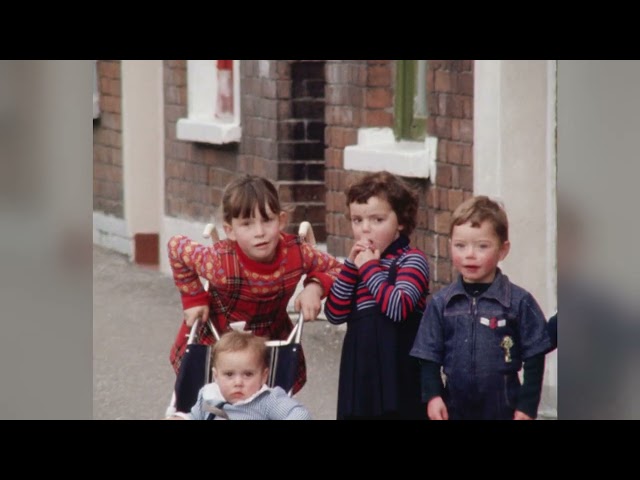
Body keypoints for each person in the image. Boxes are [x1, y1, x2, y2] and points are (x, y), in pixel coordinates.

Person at [167, 175, 342, 395]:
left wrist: (315, 287)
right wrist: (193, 298)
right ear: (230, 230)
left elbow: (338, 268)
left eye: (267, 220)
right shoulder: (219, 262)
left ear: (281, 220)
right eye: (247, 224)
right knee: (205, 401)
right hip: (219, 339)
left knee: (269, 403)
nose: (259, 232)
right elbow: (176, 247)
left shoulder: (297, 252)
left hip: (269, 340)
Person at [410, 195, 553, 420]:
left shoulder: (518, 302)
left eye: (482, 246)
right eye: (460, 245)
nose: (470, 254)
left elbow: (535, 357)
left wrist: (526, 406)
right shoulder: (441, 303)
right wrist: (433, 395)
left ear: (503, 250)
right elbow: (428, 355)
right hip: (455, 408)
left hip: (503, 408)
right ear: (450, 246)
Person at [325, 171, 430, 419]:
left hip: (398, 371)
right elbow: (334, 313)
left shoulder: (412, 260)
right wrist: (351, 267)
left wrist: (369, 269)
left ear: (400, 222)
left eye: (377, 220)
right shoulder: (358, 265)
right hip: (361, 372)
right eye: (357, 220)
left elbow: (398, 308)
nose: (365, 229)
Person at [166, 331, 312, 420]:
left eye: (248, 374)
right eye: (229, 374)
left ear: (263, 376)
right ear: (216, 376)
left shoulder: (267, 400)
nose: (238, 382)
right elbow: (195, 417)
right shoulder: (208, 395)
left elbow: (300, 414)